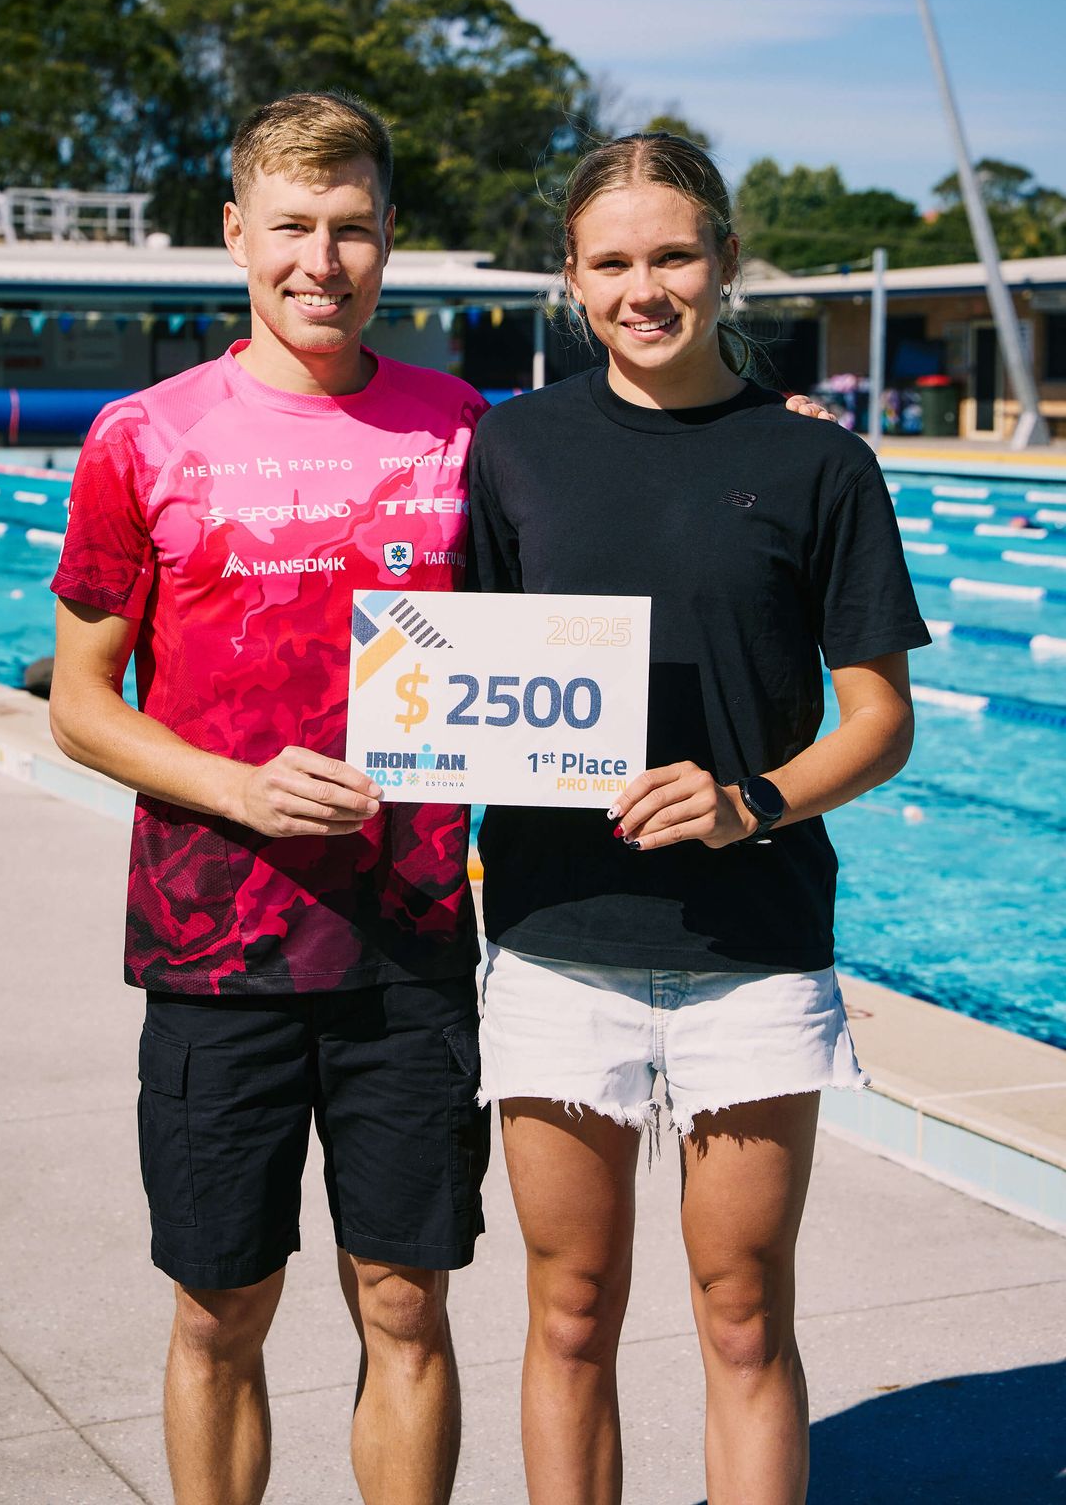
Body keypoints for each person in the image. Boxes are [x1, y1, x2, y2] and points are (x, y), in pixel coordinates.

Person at [466, 132, 930, 1505]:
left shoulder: (818, 465)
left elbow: (880, 718)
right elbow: (463, 672)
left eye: (673, 255)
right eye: (611, 263)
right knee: (569, 1313)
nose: (644, 289)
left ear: (727, 260)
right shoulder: (514, 447)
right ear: (571, 278)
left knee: (742, 1315)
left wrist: (752, 802)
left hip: (753, 949)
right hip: (557, 941)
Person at [48, 92, 491, 1505]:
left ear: (389, 237)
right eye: (293, 226)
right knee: (218, 1310)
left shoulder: (465, 430)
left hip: (411, 945)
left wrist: (767, 422)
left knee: (406, 1304)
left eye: (351, 227)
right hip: (215, 951)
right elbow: (80, 702)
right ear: (237, 232)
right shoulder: (142, 436)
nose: (323, 260)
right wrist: (238, 789)